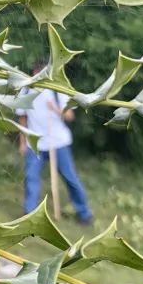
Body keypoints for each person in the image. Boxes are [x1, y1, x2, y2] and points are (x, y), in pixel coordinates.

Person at [17, 70, 93, 225]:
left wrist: (55, 109)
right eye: (37, 73)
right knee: (31, 178)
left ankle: (85, 214)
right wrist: (22, 143)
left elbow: (70, 116)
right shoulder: (26, 90)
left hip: (58, 143)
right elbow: (22, 118)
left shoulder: (57, 90)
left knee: (70, 178)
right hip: (35, 143)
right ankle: (29, 214)